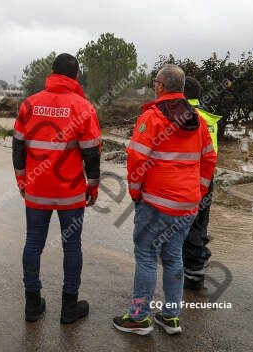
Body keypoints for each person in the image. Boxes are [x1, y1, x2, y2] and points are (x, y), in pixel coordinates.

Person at [113, 65, 217, 336]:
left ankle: (139, 318)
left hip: (156, 204)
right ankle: (171, 317)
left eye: (155, 82)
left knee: (146, 256)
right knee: (173, 257)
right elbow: (209, 159)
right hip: (187, 205)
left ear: (160, 86)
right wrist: (200, 191)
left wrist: (136, 193)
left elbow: (137, 158)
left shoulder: (152, 117)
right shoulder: (199, 122)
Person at [12, 53, 102, 324]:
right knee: (72, 246)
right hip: (71, 193)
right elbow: (92, 153)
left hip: (36, 190)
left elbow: (17, 146)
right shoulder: (83, 107)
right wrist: (93, 187)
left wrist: (21, 181)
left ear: (52, 73)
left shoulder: (29, 103)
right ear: (75, 76)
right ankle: (69, 307)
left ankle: (32, 304)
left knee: (33, 243)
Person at [182, 76, 221, 291]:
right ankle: (197, 270)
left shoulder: (188, 117)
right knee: (201, 224)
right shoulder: (207, 116)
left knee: (190, 227)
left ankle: (194, 275)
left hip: (192, 176)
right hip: (208, 176)